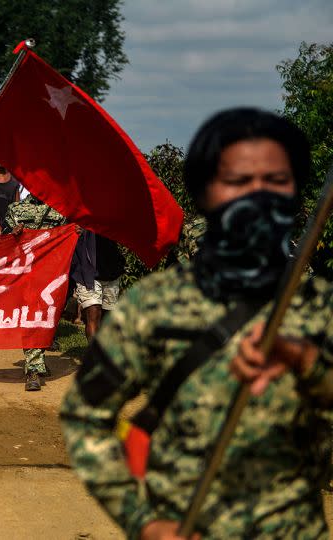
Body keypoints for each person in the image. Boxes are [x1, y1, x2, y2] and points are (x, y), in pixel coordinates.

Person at [60, 108, 330, 539]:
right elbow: (84, 417)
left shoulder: (318, 306)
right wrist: (141, 520)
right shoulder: (153, 308)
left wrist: (309, 361)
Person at [2, 194, 67, 391]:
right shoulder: (15, 209)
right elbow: (4, 237)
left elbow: (68, 233)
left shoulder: (61, 209)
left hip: (53, 271)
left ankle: (39, 356)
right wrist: (13, 232)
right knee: (33, 315)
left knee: (49, 315)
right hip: (28, 272)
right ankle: (33, 369)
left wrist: (75, 231)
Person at [73, 234, 125, 342]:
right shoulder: (83, 222)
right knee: (93, 314)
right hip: (88, 273)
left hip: (111, 272)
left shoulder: (114, 220)